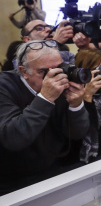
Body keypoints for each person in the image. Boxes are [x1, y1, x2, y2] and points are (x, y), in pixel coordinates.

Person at [0, 40, 89, 195]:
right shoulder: (4, 86)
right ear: (24, 71)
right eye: (43, 72)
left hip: (52, 169)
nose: (54, 76)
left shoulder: (63, 83)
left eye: (59, 68)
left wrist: (76, 104)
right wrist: (45, 98)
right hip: (10, 180)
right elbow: (13, 138)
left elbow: (77, 133)